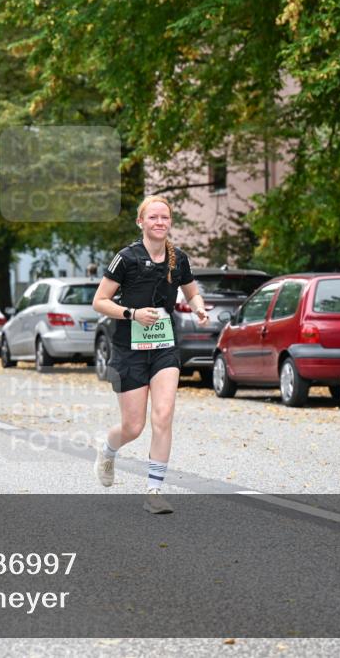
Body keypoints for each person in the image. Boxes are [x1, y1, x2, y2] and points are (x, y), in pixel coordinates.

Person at [91, 195, 209, 514]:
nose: (160, 222)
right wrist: (132, 314)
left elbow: (191, 291)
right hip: (128, 348)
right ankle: (108, 450)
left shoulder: (177, 258)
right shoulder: (126, 258)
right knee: (133, 427)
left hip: (163, 347)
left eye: (165, 218)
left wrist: (198, 308)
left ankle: (154, 491)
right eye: (153, 217)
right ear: (141, 222)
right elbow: (99, 301)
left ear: (170, 223)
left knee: (164, 414)